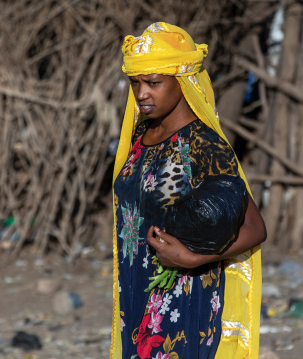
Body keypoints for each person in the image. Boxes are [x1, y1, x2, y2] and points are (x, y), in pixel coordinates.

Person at [109, 22, 266, 359]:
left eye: (153, 83)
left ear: (182, 82)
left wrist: (193, 257)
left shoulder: (202, 145)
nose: (142, 94)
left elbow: (255, 227)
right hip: (136, 287)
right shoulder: (139, 138)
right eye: (135, 83)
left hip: (182, 293)